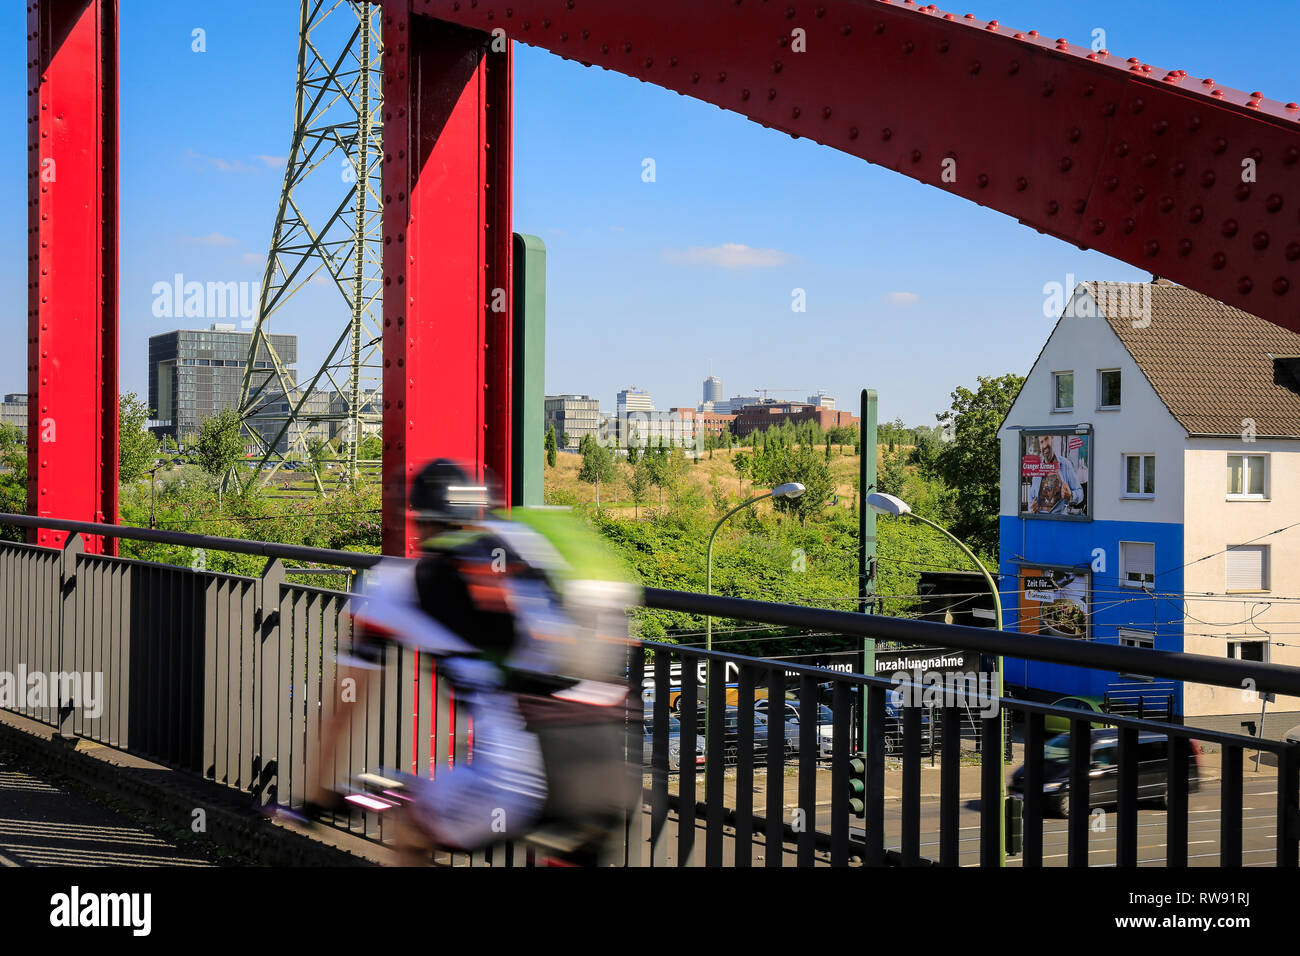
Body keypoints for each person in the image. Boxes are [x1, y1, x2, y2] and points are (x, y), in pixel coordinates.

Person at [309, 459, 637, 863]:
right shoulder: (530, 549)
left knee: (410, 829)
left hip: (518, 777)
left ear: (419, 521)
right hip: (604, 768)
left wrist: (318, 793)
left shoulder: (399, 583)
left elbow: (345, 703)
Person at [1027, 434, 1083, 515]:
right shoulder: (1037, 469)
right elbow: (1031, 500)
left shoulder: (1065, 464)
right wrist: (1032, 509)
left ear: (1052, 438)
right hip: (1040, 521)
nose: (1045, 445)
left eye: (1046, 439)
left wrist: (1071, 495)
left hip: (1059, 521)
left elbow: (1080, 493)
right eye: (1041, 442)